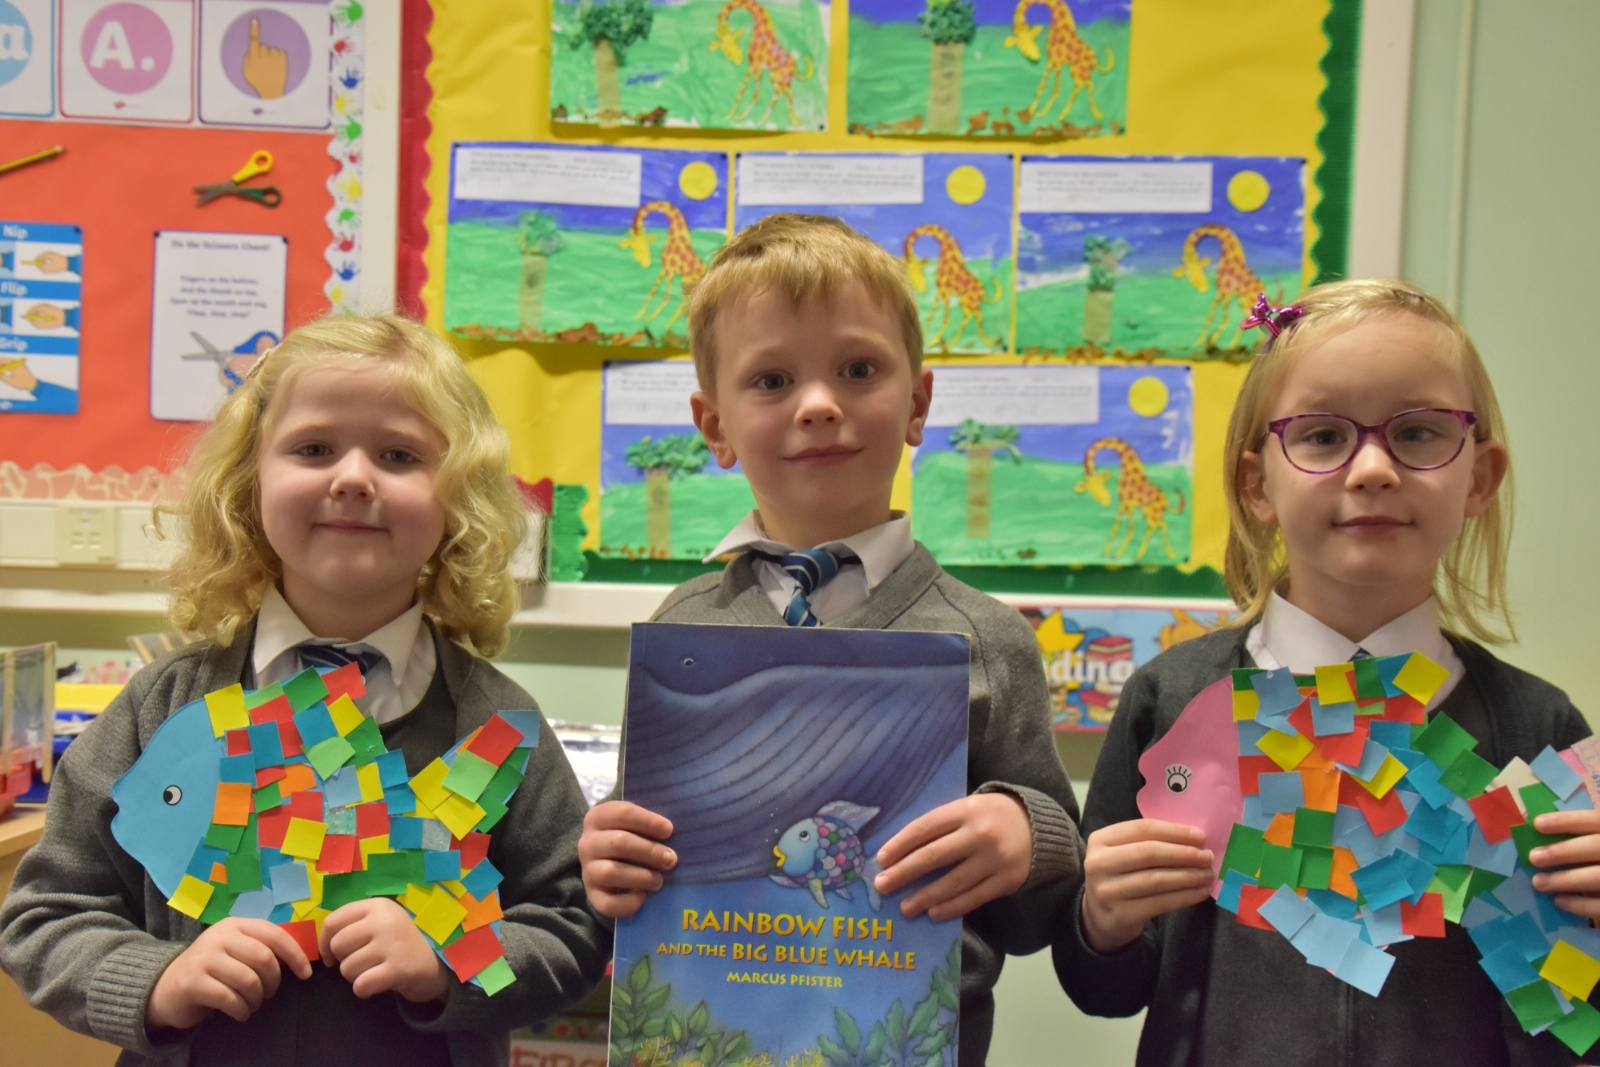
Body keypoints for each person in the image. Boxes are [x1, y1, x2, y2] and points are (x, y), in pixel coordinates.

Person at [0, 314, 609, 1066]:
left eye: (399, 454)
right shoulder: (162, 705)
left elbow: (572, 927)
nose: (352, 477)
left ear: (458, 499)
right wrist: (157, 979)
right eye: (314, 448)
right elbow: (45, 915)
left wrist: (450, 960)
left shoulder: (496, 721)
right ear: (247, 484)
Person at [577, 213, 1082, 1065]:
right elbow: (643, 863)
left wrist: (1032, 836)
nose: (818, 404)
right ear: (715, 426)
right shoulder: (681, 627)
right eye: (772, 379)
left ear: (917, 403)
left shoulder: (989, 640)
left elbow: (1043, 919)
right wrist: (606, 863)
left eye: (858, 369)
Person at [1054, 279, 1598, 1064]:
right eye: (1320, 435)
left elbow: (1570, 1013)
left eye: (1418, 432)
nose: (1373, 467)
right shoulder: (1170, 699)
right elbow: (1105, 987)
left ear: (1479, 478)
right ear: (1257, 483)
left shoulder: (1537, 724)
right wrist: (1101, 922)